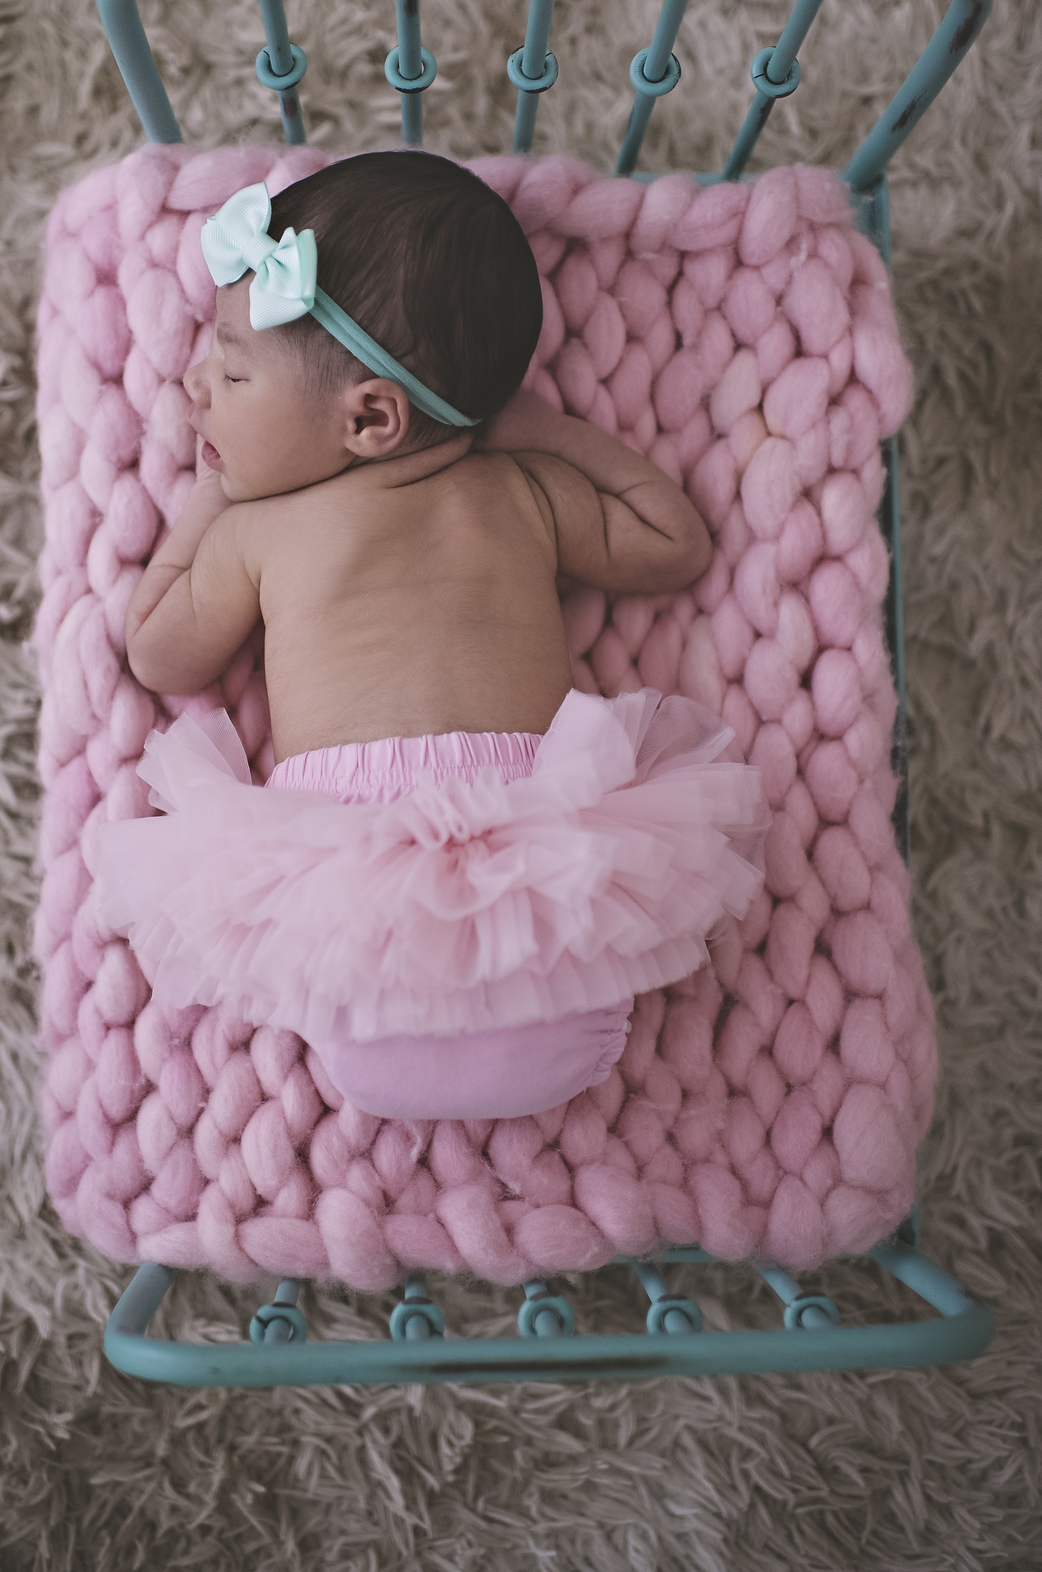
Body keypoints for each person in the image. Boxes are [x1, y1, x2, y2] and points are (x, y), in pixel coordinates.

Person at [96, 151, 769, 1121]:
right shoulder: (520, 492)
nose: (194, 382)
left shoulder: (262, 532)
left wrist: (210, 498)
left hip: (345, 879)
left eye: (233, 369)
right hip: (540, 866)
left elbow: (158, 652)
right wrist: (545, 431)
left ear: (372, 416)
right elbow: (674, 541)